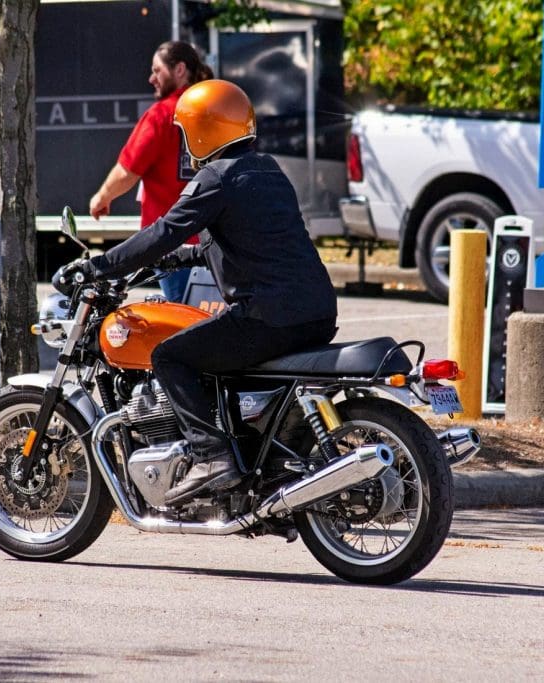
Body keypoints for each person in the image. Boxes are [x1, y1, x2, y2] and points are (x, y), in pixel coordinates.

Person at [55, 80, 338, 505]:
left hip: (267, 318)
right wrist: (176, 261)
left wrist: (96, 267)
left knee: (170, 355)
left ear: (204, 130)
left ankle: (211, 456)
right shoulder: (267, 169)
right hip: (314, 312)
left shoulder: (216, 177)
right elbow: (245, 244)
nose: (185, 145)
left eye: (185, 133)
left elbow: (162, 231)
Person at [88, 40, 212, 303]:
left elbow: (127, 171)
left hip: (172, 243)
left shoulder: (162, 115)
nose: (151, 78)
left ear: (179, 70)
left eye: (157, 71)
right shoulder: (211, 110)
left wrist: (102, 198)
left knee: (183, 319)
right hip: (213, 242)